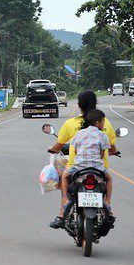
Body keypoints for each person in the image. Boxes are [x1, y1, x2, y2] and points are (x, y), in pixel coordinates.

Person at [47, 90, 117, 229]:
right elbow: (110, 148)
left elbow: (61, 145)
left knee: (64, 179)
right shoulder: (105, 123)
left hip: (76, 166)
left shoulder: (71, 124)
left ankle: (62, 214)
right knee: (108, 180)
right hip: (99, 168)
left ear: (79, 105)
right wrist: (112, 152)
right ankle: (107, 203)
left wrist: (52, 149)